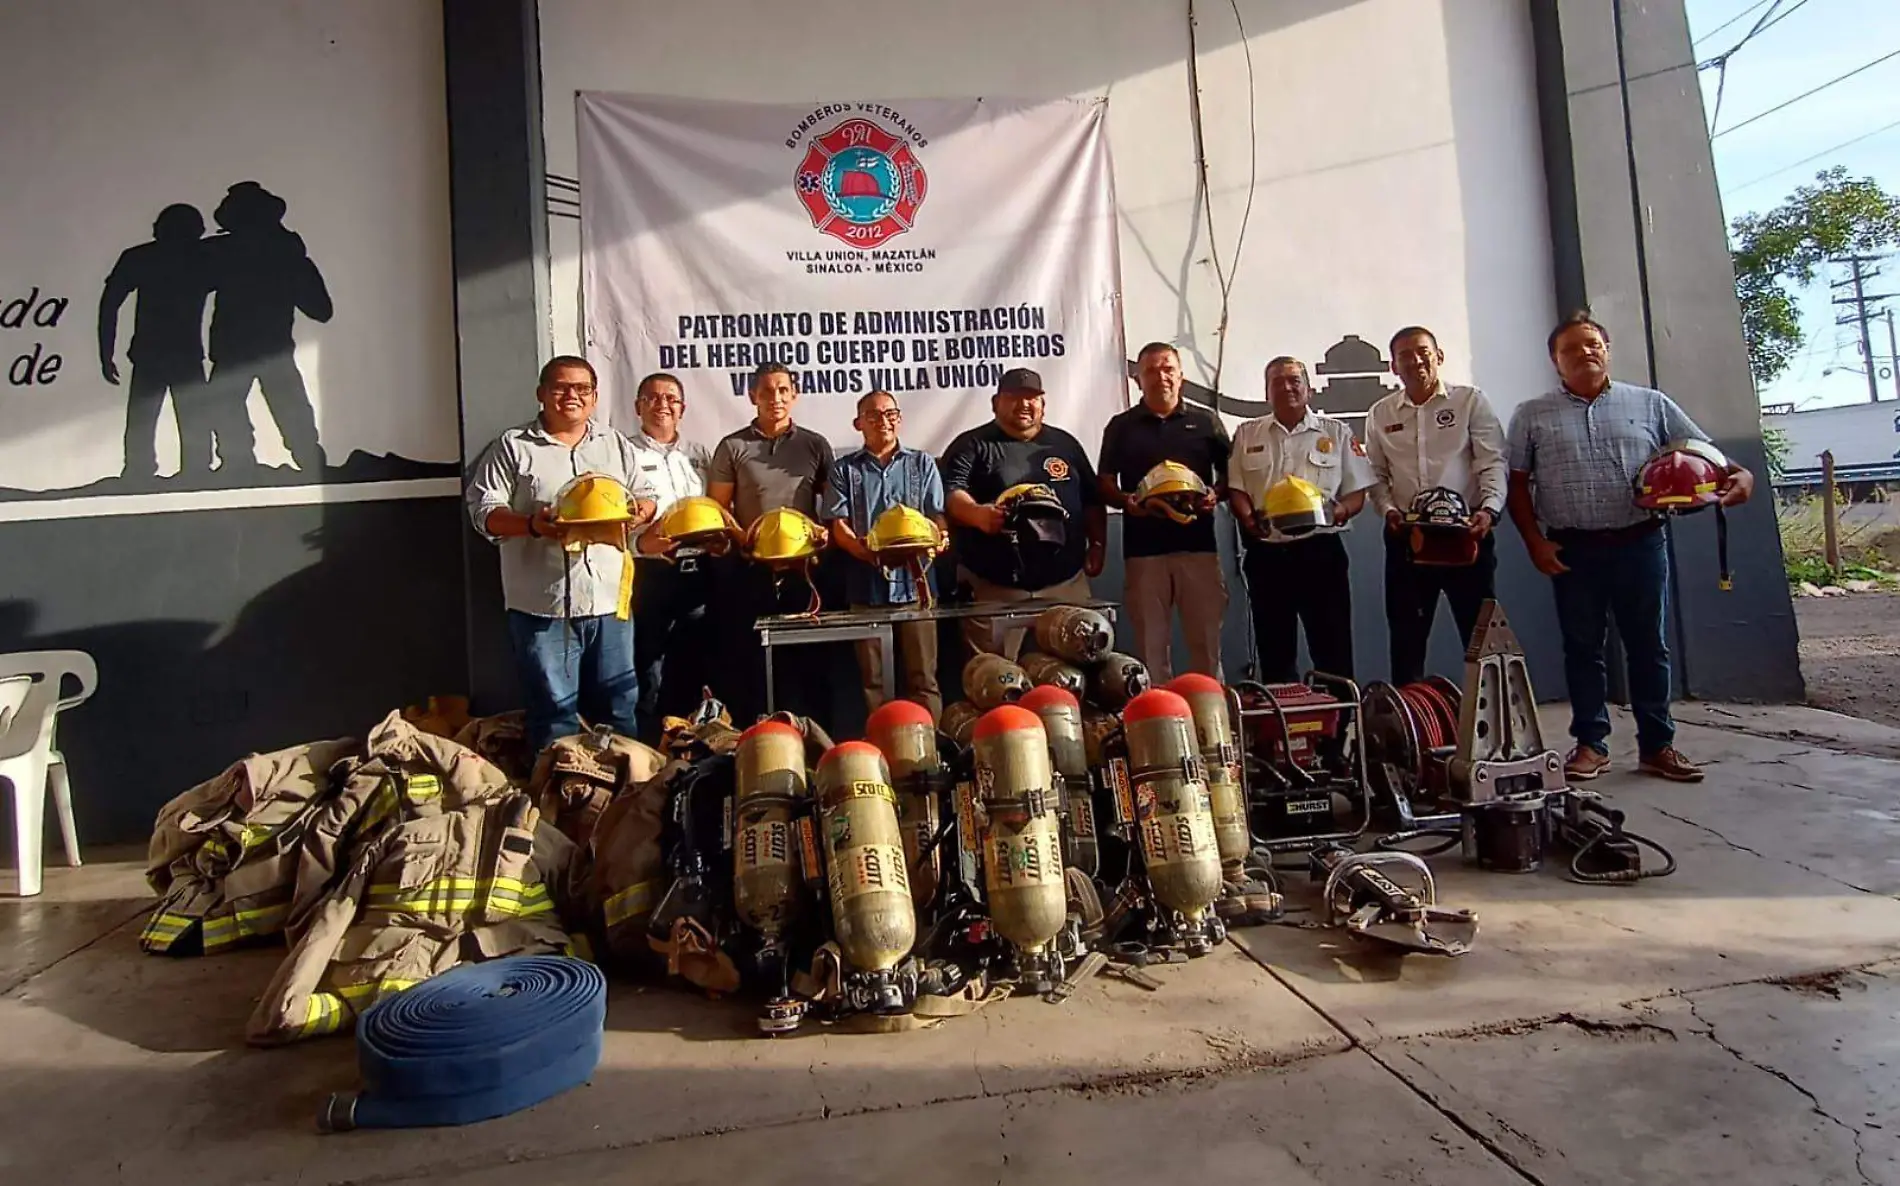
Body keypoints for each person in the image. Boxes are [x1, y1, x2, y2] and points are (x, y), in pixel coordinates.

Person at [1506, 311, 1754, 784]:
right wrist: (1535, 543)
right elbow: (1517, 485)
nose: (1584, 353)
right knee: (1582, 648)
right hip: (1571, 549)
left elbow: (1707, 455)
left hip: (1640, 543)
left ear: (1606, 349)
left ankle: (1658, 746)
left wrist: (1740, 475)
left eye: (1592, 344)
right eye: (1571, 349)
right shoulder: (1532, 415)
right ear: (1555, 362)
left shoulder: (1651, 404)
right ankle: (1590, 744)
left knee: (1649, 648)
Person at [466, 355, 656, 755]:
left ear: (594, 397)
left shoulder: (614, 444)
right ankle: (556, 801)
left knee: (619, 709)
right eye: (560, 387)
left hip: (608, 603)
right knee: (554, 715)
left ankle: (625, 802)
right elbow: (484, 512)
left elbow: (646, 494)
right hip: (542, 607)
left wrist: (641, 510)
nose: (571, 396)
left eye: (581, 389)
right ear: (541, 395)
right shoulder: (513, 446)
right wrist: (533, 525)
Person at [1366, 326, 1509, 686]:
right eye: (1404, 356)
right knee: (1406, 640)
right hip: (1408, 539)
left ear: (1439, 356)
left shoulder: (1470, 401)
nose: (1415, 361)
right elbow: (1376, 475)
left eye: (1423, 352)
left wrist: (1489, 511)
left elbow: (1492, 461)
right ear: (1394, 367)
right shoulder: (1380, 414)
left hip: (1466, 535)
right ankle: (1409, 731)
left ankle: (1495, 728)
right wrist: (1388, 511)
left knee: (1481, 640)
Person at [940, 367, 1106, 660]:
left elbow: (1092, 500)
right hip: (994, 588)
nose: (1024, 404)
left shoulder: (1064, 444)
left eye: (1032, 398)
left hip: (1065, 584)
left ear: (1043, 404)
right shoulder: (972, 445)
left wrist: (1097, 544)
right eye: (1014, 397)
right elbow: (951, 493)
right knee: (997, 680)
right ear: (995, 403)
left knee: (1078, 670)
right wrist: (978, 514)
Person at [1227, 357, 1374, 683]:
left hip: (1320, 554)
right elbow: (1236, 489)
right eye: (1277, 382)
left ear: (1308, 388)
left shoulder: (1336, 432)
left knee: (1332, 651)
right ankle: (1285, 730)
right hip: (1268, 556)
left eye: (1294, 380)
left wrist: (1338, 512)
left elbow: (1357, 493)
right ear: (1267, 392)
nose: (1286, 387)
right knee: (1275, 654)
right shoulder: (1247, 434)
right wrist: (1249, 520)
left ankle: (1339, 730)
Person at [708, 361, 837, 722]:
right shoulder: (733, 446)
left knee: (809, 664)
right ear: (753, 396)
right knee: (749, 663)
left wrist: (824, 533)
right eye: (766, 391)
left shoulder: (815, 444)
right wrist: (742, 537)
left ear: (794, 396)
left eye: (783, 390)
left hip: (804, 569)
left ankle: (815, 743)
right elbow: (718, 509)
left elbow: (832, 505)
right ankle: (756, 741)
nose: (775, 398)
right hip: (750, 570)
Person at [1097, 342, 1232, 683]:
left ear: (1181, 376)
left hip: (1198, 549)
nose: (1161, 377)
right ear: (1138, 379)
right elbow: (1105, 483)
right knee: (1150, 651)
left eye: (1168, 369)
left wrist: (1214, 495)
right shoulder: (1121, 426)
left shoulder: (1205, 422)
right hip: (1144, 554)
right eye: (1152, 371)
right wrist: (1128, 501)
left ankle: (1212, 723)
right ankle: (1159, 727)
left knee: (1206, 647)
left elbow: (1233, 476)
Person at [824, 391, 948, 722]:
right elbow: (839, 525)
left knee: (924, 678)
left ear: (900, 418)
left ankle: (929, 753)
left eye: (890, 414)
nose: (884, 421)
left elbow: (937, 515)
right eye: (874, 415)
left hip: (917, 587)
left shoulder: (922, 464)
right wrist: (866, 553)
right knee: (873, 681)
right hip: (867, 587)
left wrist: (940, 539)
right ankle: (883, 750)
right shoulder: (844, 470)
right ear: (858, 422)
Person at [98, 204, 215, 482]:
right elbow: (110, 304)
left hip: (155, 352)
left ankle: (143, 471)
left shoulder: (144, 257)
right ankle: (192, 469)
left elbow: (110, 304)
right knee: (186, 416)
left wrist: (106, 353)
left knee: (148, 417)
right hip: (177, 352)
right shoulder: (203, 258)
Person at [626, 371, 714, 739]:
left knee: (694, 664)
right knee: (649, 669)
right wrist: (641, 544)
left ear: (682, 408)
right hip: (651, 573)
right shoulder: (624, 452)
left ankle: (689, 749)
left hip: (700, 571)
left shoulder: (700, 455)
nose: (663, 405)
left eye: (671, 399)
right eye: (653, 398)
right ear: (638, 406)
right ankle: (647, 751)